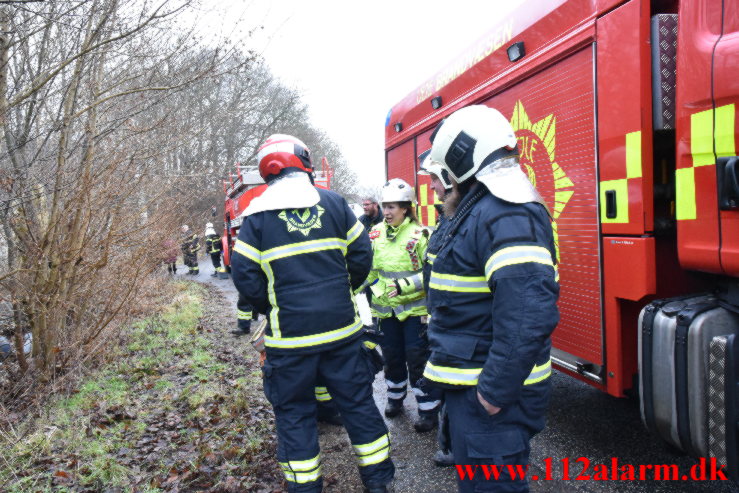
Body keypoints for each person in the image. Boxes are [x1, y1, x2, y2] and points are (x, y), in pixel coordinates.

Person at [231, 134, 394, 493]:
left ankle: (306, 487)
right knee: (358, 406)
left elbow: (244, 276)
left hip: (289, 344)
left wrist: (273, 306)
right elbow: (362, 256)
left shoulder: (255, 218)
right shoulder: (335, 205)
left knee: (294, 416)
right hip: (342, 335)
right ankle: (379, 481)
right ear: (303, 161)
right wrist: (340, 292)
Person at [423, 105, 560, 493]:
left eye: (441, 172)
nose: (437, 182)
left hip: (488, 397)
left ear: (462, 160)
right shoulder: (483, 210)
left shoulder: (506, 212)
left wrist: (492, 394)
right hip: (473, 386)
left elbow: (528, 314)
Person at [365, 178, 441, 433]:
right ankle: (395, 398)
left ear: (406, 208)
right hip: (385, 311)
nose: (387, 212)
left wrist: (403, 287)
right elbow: (370, 270)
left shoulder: (421, 235)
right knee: (392, 358)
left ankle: (428, 409)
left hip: (414, 312)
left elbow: (431, 274)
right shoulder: (374, 234)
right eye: (384, 206)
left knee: (417, 360)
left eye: (392, 207)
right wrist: (358, 286)